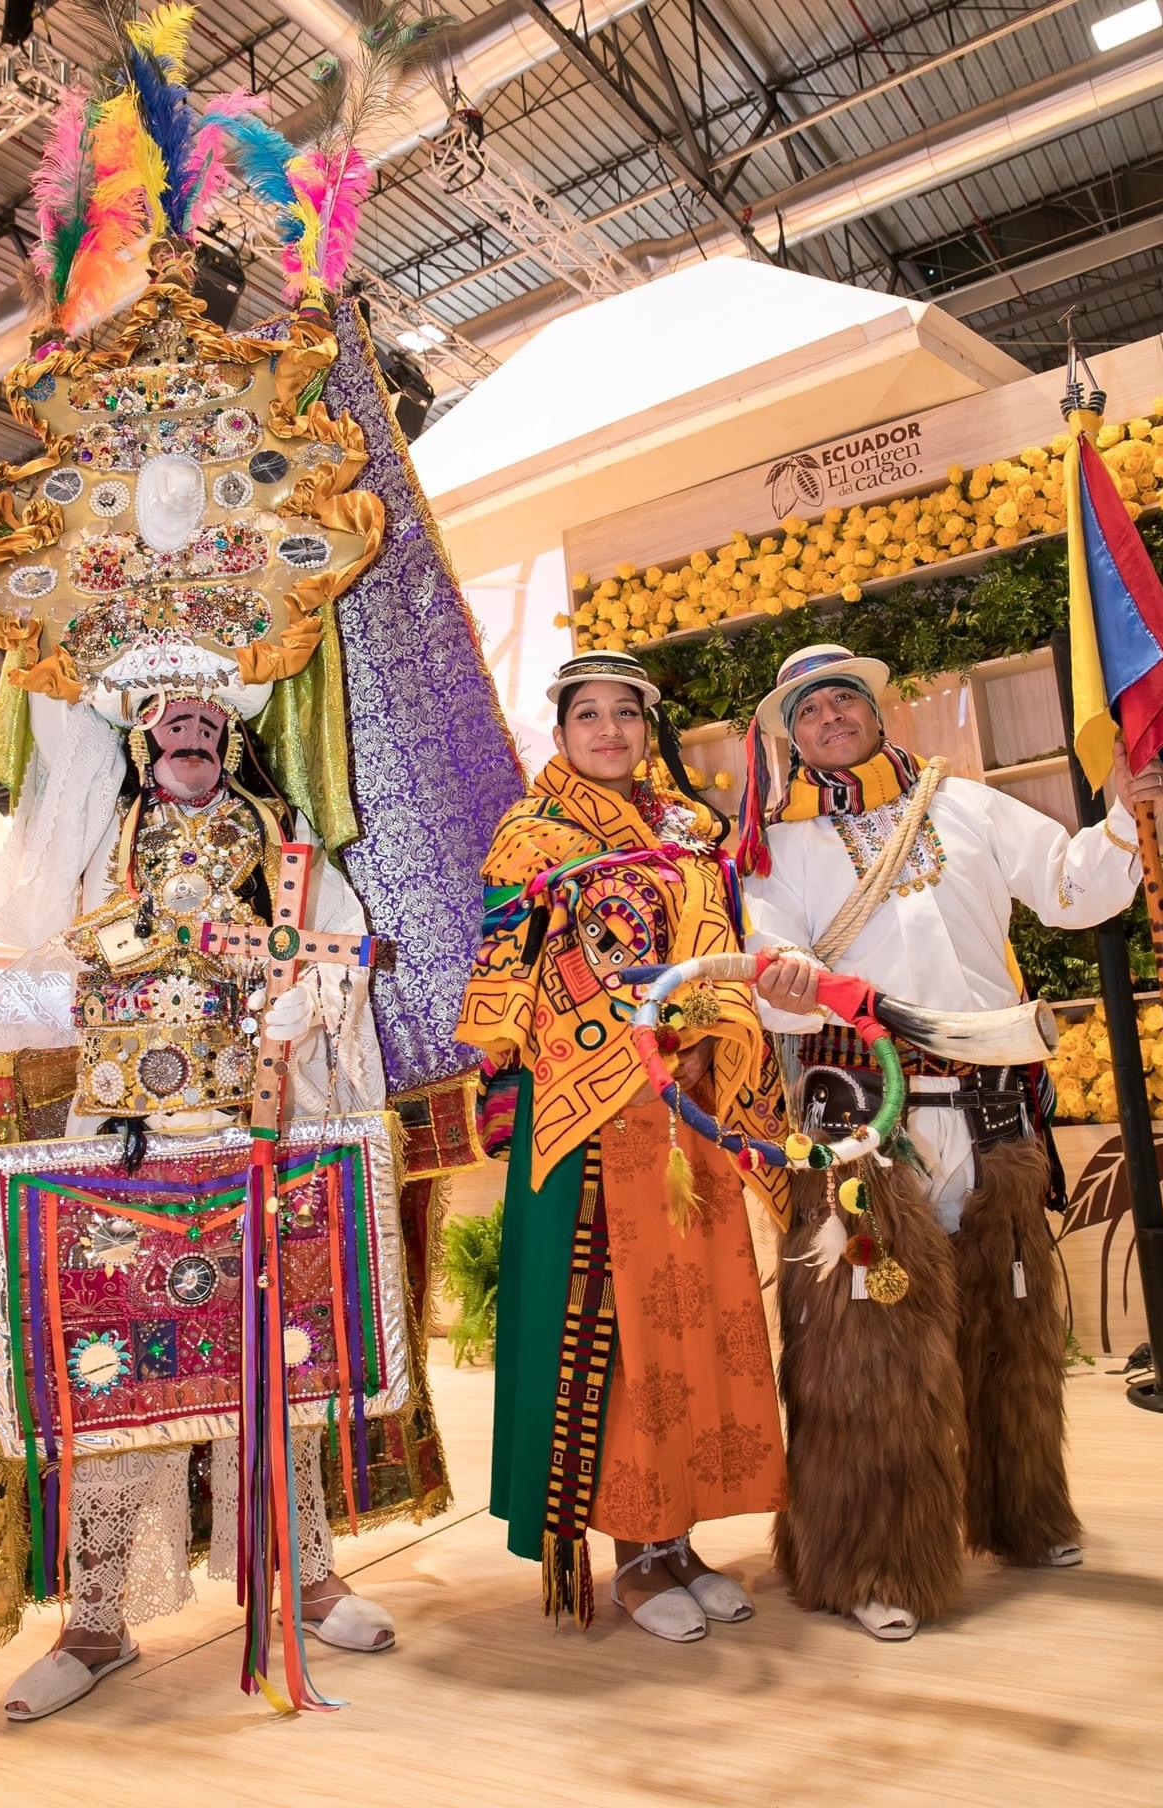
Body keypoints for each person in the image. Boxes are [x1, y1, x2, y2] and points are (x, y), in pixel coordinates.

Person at [741, 641, 1163, 1641]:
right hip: (862, 1123)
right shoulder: (774, 850)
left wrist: (1121, 814)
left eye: (843, 697)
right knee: (866, 1348)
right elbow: (771, 965)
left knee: (1008, 1321)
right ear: (792, 736)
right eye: (808, 710)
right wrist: (791, 980)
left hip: (991, 1105)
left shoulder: (969, 804)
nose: (830, 717)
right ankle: (870, 1562)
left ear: (875, 709)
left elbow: (1071, 887)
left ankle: (1021, 1512)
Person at [0, 684, 395, 1720]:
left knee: (281, 1361)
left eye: (209, 722)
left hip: (252, 1137)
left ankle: (307, 1575)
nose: (192, 733)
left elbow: (342, 957)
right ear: (142, 737)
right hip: (124, 1151)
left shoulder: (283, 843)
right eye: (173, 719)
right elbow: (39, 955)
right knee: (113, 1373)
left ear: (231, 739)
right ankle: (95, 1618)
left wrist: (304, 999)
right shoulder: (99, 841)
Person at [457, 651, 787, 1644]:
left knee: (697, 1326)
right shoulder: (531, 837)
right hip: (592, 1110)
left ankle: (679, 1537)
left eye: (625, 715)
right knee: (618, 1337)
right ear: (558, 735)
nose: (609, 730)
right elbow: (509, 963)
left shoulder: (688, 831)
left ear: (650, 730)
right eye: (587, 714)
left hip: (688, 1109)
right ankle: (635, 1552)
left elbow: (721, 947)